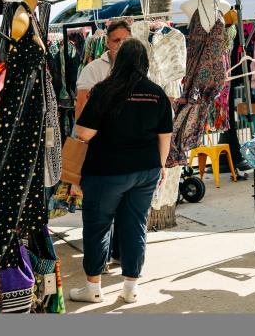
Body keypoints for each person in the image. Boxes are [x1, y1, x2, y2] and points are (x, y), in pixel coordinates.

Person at [69, 38, 173, 304]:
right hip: (146, 169)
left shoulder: (104, 90)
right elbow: (165, 136)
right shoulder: (156, 92)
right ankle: (130, 288)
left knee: (97, 227)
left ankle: (93, 288)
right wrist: (160, 166)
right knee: (135, 225)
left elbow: (84, 132)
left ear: (118, 61)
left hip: (106, 171)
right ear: (144, 63)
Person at [75, 17, 132, 119]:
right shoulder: (92, 70)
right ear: (107, 42)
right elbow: (81, 111)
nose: (121, 45)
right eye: (116, 40)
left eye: (125, 40)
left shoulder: (137, 67)